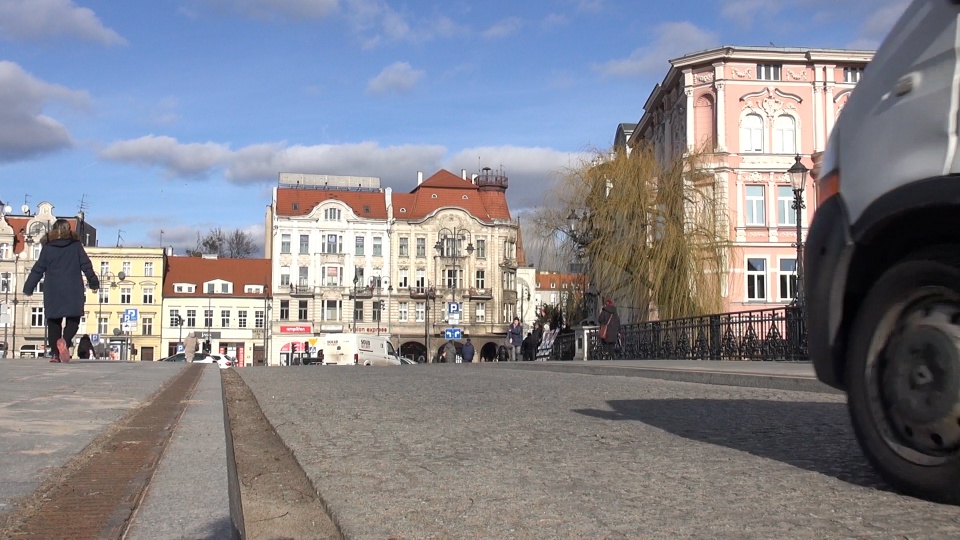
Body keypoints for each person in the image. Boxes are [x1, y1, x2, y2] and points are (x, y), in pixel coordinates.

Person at [22, 219, 99, 363]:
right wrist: (93, 283)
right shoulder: (76, 246)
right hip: (73, 289)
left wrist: (28, 287)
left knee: (53, 322)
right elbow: (86, 265)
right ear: (69, 230)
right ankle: (65, 339)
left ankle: (55, 354)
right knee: (74, 319)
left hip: (53, 290)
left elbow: (38, 269)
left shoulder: (48, 247)